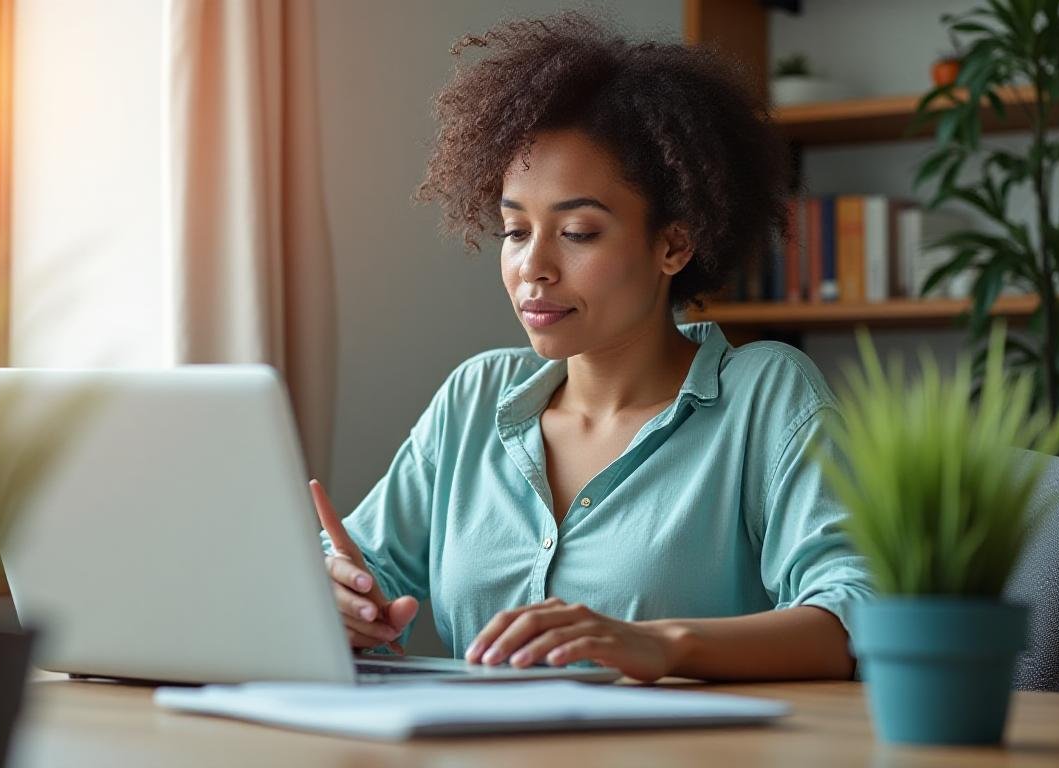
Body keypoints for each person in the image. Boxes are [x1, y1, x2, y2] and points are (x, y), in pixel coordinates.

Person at [313, 11, 872, 682]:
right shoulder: (475, 398)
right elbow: (358, 568)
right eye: (515, 231)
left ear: (674, 244)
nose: (533, 268)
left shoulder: (763, 396)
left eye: (577, 232)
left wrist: (663, 644)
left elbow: (852, 617)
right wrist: (337, 595)